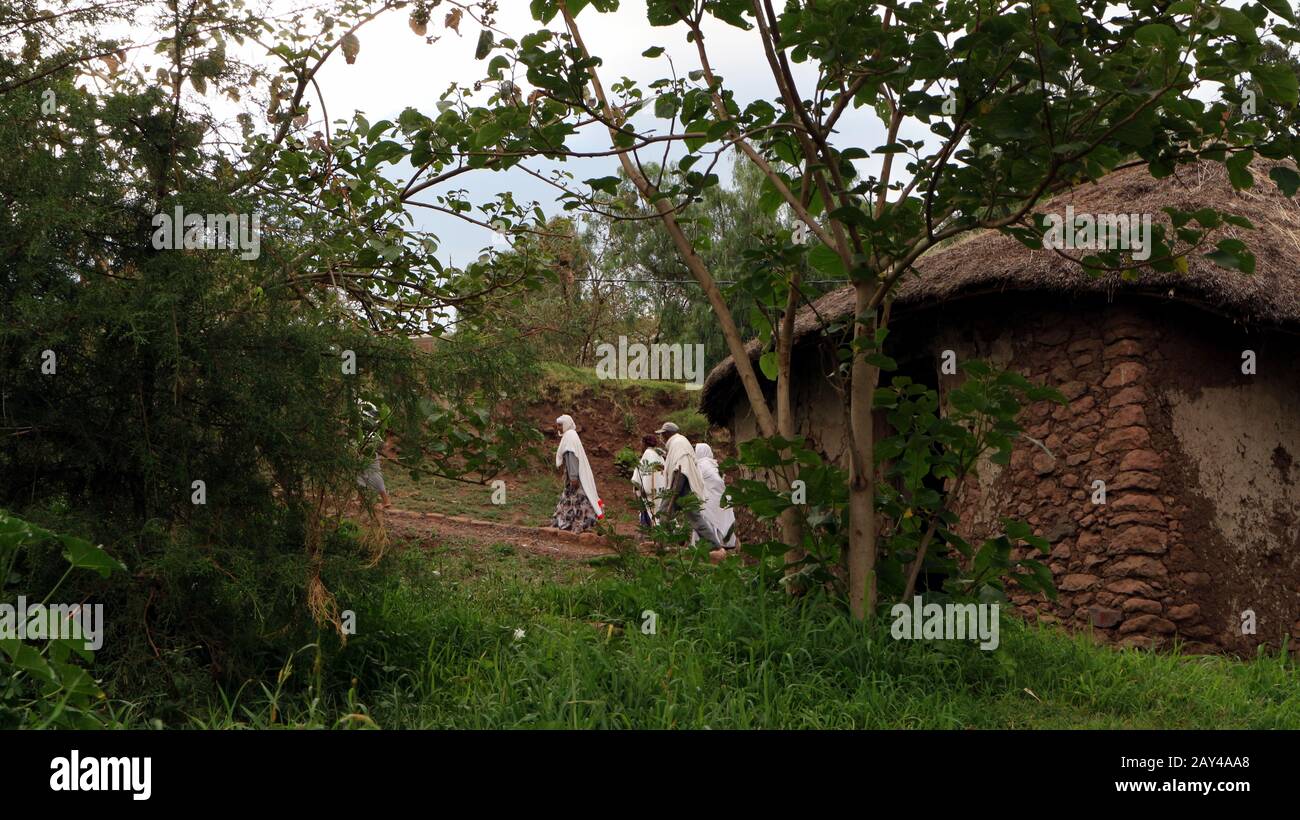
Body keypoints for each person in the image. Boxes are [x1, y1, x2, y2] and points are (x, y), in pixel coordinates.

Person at [655, 422, 726, 555]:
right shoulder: (679, 442)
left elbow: (681, 469)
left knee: (663, 514)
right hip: (684, 486)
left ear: (668, 433)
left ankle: (666, 542)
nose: (662, 438)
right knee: (695, 518)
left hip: (679, 486)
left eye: (663, 435)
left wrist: (674, 492)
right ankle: (713, 545)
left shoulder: (678, 443)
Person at [552, 414, 603, 532]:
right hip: (573, 476)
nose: (558, 427)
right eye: (558, 425)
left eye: (560, 425)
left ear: (566, 424)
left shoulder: (570, 437)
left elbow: (572, 457)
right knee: (572, 501)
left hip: (574, 478)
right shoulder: (570, 435)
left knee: (577, 501)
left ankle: (580, 525)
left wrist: (573, 477)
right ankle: (570, 523)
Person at [694, 442, 738, 549]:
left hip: (709, 497)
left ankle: (711, 544)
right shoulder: (712, 464)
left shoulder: (701, 464)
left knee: (709, 519)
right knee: (718, 519)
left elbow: (700, 481)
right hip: (718, 496)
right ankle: (724, 542)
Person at [630, 434, 666, 528]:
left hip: (648, 491)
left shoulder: (647, 453)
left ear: (645, 444)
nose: (640, 446)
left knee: (651, 512)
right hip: (662, 490)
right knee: (662, 512)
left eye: (641, 443)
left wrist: (643, 488)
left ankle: (651, 533)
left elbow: (643, 473)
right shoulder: (660, 456)